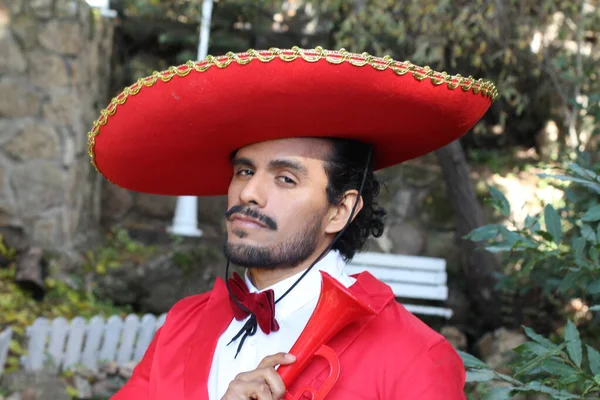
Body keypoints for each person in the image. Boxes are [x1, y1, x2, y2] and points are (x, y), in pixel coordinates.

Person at [88, 47, 498, 399]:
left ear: (340, 210)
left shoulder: (413, 357)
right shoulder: (184, 323)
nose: (249, 194)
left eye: (286, 179)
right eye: (245, 172)